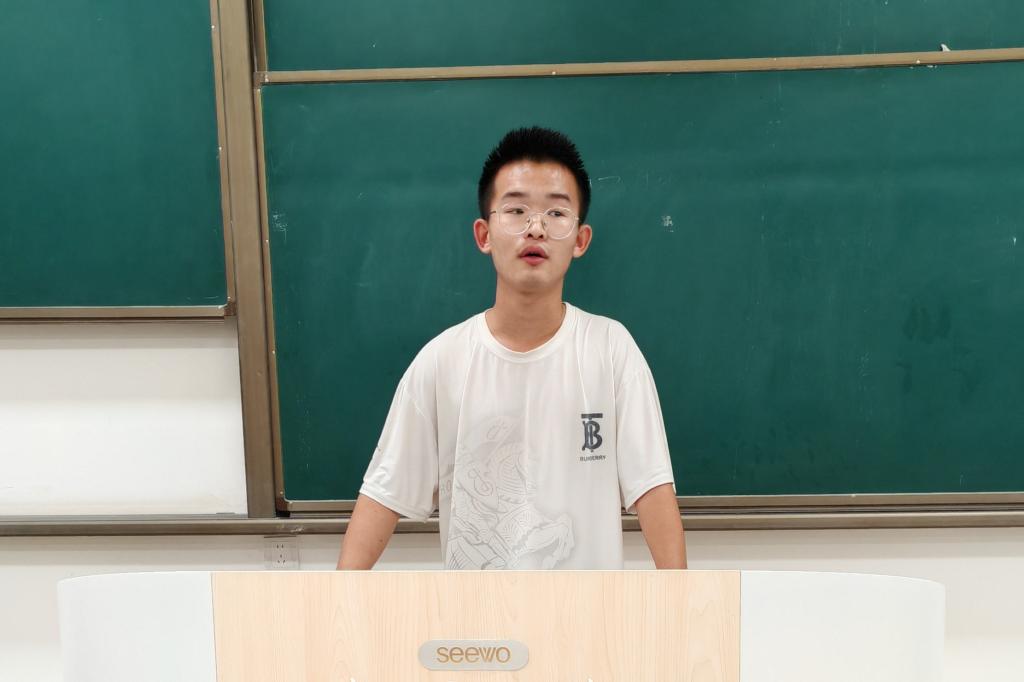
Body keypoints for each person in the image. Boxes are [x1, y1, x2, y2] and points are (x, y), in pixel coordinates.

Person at [337, 127, 686, 570]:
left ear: (580, 239)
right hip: (477, 616)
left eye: (556, 213)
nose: (535, 228)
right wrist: (337, 603)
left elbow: (652, 491)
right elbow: (381, 497)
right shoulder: (443, 361)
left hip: (588, 613)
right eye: (517, 210)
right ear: (484, 234)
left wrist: (682, 605)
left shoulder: (611, 350)